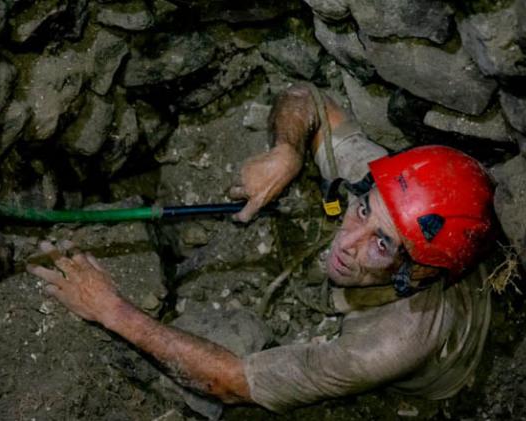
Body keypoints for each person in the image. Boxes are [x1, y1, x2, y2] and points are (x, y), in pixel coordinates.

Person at [26, 84, 495, 412]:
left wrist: (111, 310)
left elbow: (231, 383)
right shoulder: (393, 189)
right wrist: (286, 151)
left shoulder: (385, 346)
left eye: (380, 244)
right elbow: (308, 99)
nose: (346, 242)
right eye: (362, 210)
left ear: (419, 274)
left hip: (436, 370)